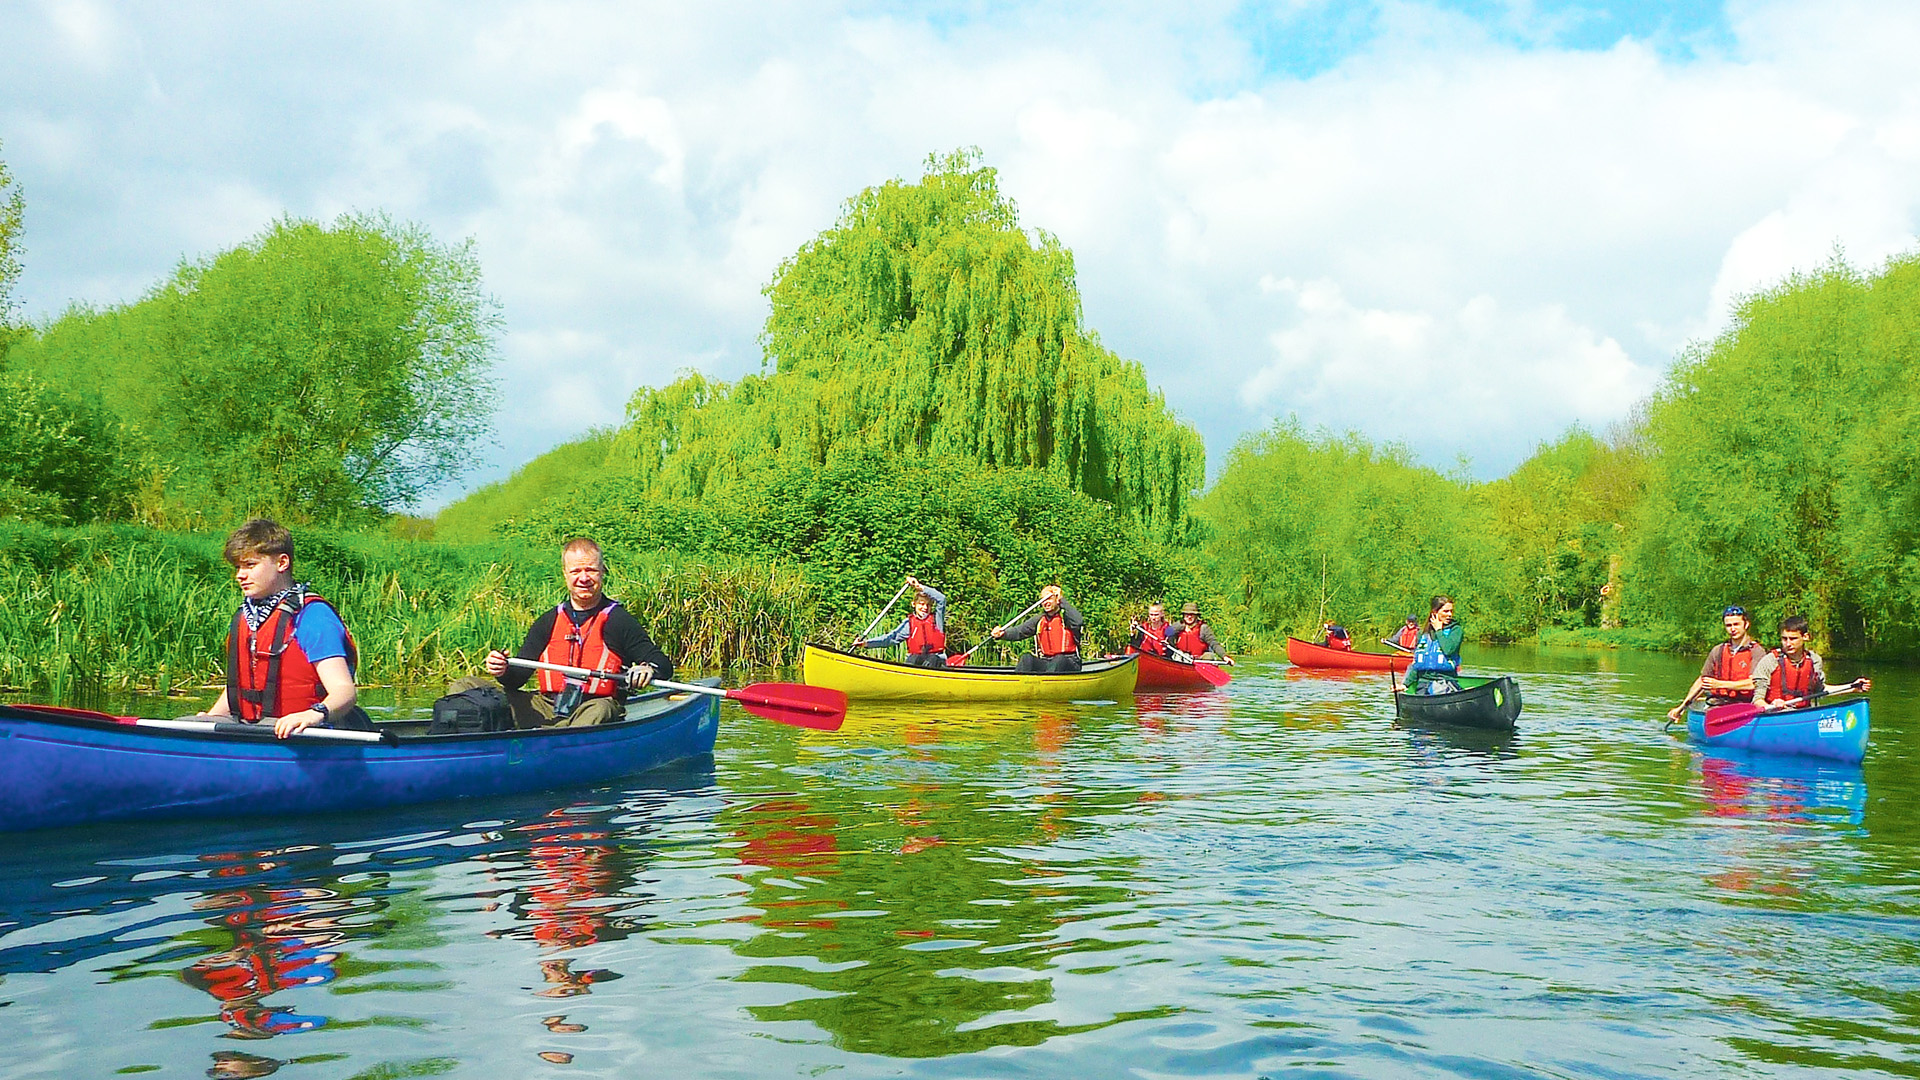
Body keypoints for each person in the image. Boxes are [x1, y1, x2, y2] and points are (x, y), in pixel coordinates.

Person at [472, 537, 675, 728]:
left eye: (591, 570)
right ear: (565, 574)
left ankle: (560, 745)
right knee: (468, 688)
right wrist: (502, 670)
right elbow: (516, 680)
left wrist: (648, 669)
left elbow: (662, 663)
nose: (584, 578)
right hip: (548, 707)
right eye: (576, 571)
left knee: (601, 708)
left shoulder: (618, 621)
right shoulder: (548, 621)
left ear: (602, 572)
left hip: (594, 707)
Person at [198, 519, 370, 739]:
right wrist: (210, 718)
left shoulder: (312, 617)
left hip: (309, 731)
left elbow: (344, 692)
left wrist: (312, 715)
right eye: (238, 567)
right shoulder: (247, 617)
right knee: (186, 724)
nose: (240, 575)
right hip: (255, 726)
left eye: (250, 565)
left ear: (282, 563)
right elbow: (240, 688)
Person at [1666, 605, 1767, 722]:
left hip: (1745, 705)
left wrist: (1720, 684)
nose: (1732, 629)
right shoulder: (1718, 651)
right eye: (1728, 625)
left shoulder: (1756, 651)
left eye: (1736, 624)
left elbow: (1753, 684)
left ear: (1746, 625)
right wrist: (1682, 707)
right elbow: (1703, 681)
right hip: (1718, 704)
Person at [1750, 614, 1871, 711]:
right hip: (1775, 714)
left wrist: (1852, 687)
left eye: (1793, 639)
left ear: (1805, 637)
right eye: (1784, 639)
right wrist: (1771, 705)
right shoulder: (1770, 660)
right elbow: (1757, 700)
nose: (1788, 643)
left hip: (1804, 712)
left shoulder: (1814, 660)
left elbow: (1820, 690)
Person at [856, 576, 948, 668]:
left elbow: (941, 599)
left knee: (932, 659)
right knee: (913, 658)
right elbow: (890, 639)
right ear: (914, 604)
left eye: (928, 605)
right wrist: (866, 643)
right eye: (922, 604)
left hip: (936, 660)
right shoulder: (909, 624)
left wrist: (919, 587)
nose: (925, 608)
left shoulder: (937, 620)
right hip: (916, 661)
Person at [993, 585, 1084, 673]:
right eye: (1043, 600)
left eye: (1049, 598)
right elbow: (1019, 631)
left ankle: (1048, 685)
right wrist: (1003, 634)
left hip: (1069, 662)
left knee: (1059, 659)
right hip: (1046, 661)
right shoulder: (1040, 620)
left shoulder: (1067, 617)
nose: (1046, 602)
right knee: (1026, 658)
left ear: (1057, 600)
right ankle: (1017, 685)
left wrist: (1062, 599)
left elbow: (1078, 621)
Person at [1402, 595, 1463, 694]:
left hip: (1445, 683)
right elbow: (1416, 663)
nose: (1450, 614)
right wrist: (1405, 684)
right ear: (1434, 612)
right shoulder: (1423, 633)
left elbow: (1448, 649)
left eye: (1451, 611)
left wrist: (1439, 630)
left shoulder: (1456, 630)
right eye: (1445, 611)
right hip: (1423, 684)